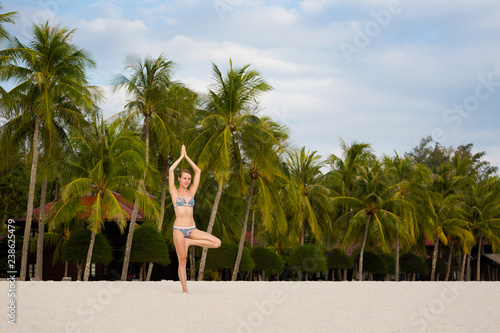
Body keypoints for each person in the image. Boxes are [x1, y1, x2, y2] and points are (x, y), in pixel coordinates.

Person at [169, 144, 221, 293]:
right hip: (179, 229)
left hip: (192, 229)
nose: (187, 181)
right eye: (184, 178)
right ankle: (185, 289)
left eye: (188, 179)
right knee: (183, 260)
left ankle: (190, 242)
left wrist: (187, 157)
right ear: (179, 179)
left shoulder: (191, 192)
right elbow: (171, 170)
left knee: (217, 242)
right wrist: (180, 157)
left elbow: (198, 171)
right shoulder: (174, 192)